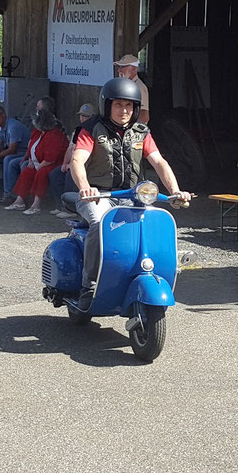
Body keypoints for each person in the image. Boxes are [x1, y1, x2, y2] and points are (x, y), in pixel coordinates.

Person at [71, 77, 191, 305]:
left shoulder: (141, 132)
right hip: (98, 195)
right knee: (99, 223)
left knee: (151, 222)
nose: (124, 110)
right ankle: (90, 284)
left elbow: (159, 162)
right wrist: (85, 188)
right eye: (118, 105)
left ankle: (148, 271)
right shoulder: (91, 130)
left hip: (133, 195)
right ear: (107, 105)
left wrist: (176, 191)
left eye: (129, 105)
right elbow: (77, 161)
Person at [4, 105, 67, 215]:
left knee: (41, 173)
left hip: (54, 163)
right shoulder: (37, 132)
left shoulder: (54, 135)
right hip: (39, 162)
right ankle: (19, 201)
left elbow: (51, 158)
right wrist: (30, 160)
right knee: (27, 171)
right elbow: (31, 147)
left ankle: (36, 204)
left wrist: (38, 166)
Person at [48, 102, 95, 217]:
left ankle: (70, 210)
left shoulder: (94, 130)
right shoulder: (78, 130)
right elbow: (70, 148)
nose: (83, 118)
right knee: (54, 174)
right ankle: (60, 205)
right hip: (73, 162)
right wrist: (65, 163)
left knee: (71, 175)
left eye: (86, 116)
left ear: (92, 117)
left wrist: (72, 165)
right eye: (81, 115)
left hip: (86, 165)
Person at [114, 54, 149, 124]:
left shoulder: (139, 87)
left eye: (123, 67)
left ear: (134, 69)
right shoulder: (126, 85)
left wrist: (132, 131)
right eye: (119, 67)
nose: (119, 70)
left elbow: (144, 116)